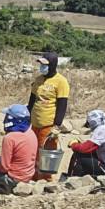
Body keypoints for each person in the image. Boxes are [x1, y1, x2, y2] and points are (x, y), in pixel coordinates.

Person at [27, 52, 70, 180]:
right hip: (35, 122)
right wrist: (27, 116)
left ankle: (45, 178)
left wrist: (57, 125)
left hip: (48, 124)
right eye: (41, 64)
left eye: (45, 65)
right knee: (33, 150)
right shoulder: (39, 80)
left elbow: (62, 104)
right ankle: (34, 175)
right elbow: (32, 99)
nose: (42, 67)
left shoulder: (61, 82)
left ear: (52, 65)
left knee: (46, 151)